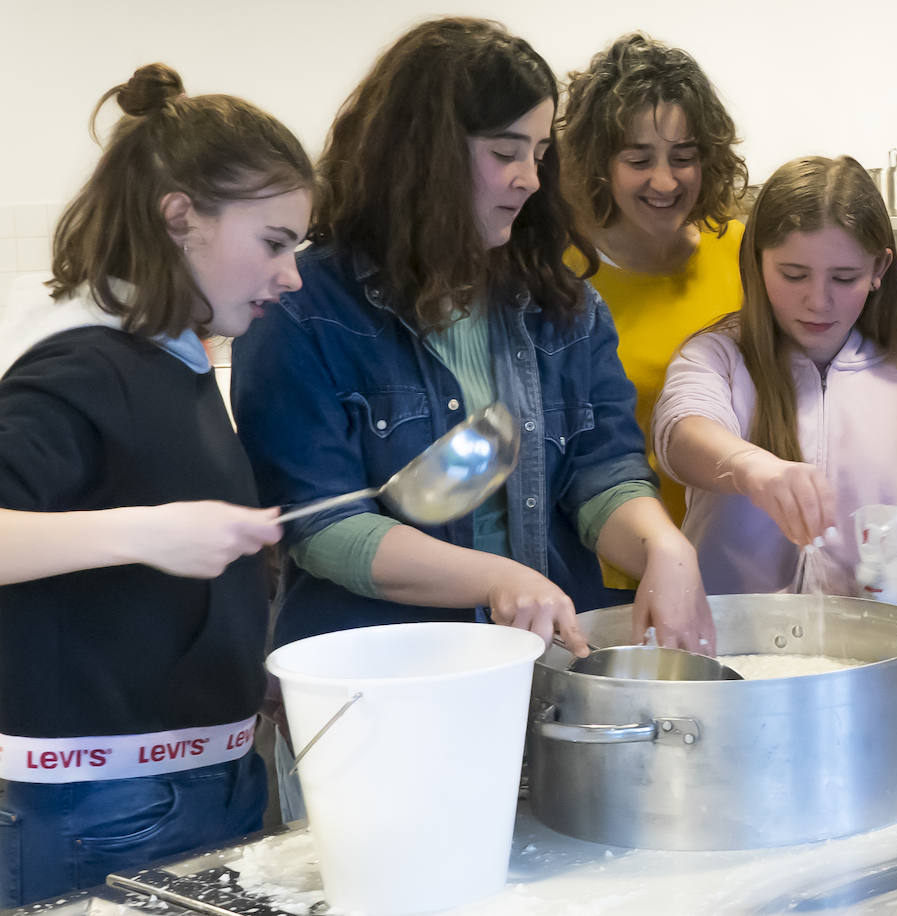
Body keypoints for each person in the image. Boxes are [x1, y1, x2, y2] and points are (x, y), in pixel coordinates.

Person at [230, 19, 714, 816]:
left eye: (540, 152)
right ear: (423, 152)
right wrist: (496, 577)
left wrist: (663, 545)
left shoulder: (561, 305)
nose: (529, 178)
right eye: (504, 152)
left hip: (547, 689)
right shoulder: (302, 307)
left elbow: (601, 475)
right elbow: (324, 527)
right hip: (379, 701)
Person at [0, 64, 310, 905]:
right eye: (275, 243)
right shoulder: (81, 363)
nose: (292, 277)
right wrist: (147, 532)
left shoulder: (171, 356)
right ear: (181, 219)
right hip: (108, 809)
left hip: (192, 785)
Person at [652, 155, 897, 614]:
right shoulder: (717, 357)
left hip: (863, 651)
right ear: (756, 263)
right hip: (731, 647)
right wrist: (752, 468)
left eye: (844, 277)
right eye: (793, 275)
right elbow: (679, 432)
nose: (818, 301)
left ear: (879, 268)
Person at [560, 33, 748, 524]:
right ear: (599, 164)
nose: (665, 182)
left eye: (683, 157)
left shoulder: (742, 251)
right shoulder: (560, 275)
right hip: (609, 564)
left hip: (730, 560)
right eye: (639, 160)